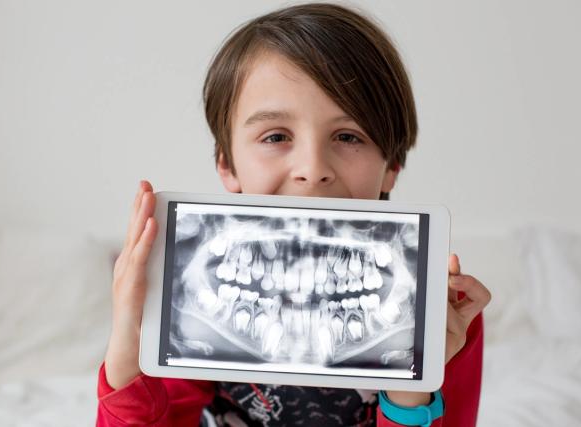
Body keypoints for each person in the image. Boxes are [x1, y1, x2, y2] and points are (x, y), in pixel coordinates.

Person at [97, 3, 491, 426]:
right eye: (276, 136)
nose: (313, 169)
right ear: (227, 164)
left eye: (347, 135)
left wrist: (409, 391)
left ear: (391, 166)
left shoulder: (444, 317)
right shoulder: (193, 290)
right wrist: (126, 354)